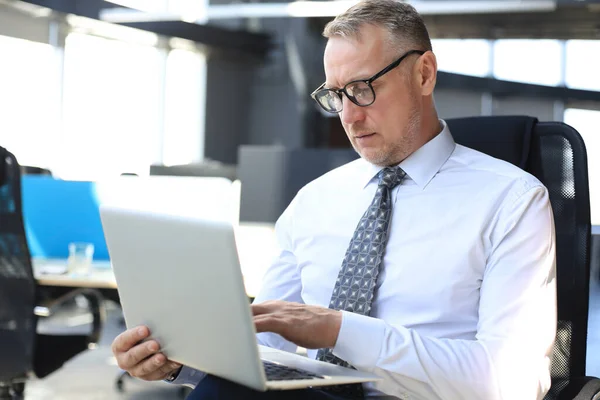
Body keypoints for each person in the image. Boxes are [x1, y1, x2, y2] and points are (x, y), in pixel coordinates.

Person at [111, 0, 557, 399]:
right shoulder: (315, 201)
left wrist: (339, 330)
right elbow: (265, 352)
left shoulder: (512, 201)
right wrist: (178, 362)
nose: (350, 115)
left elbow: (511, 384)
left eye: (364, 88)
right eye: (336, 95)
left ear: (423, 73)